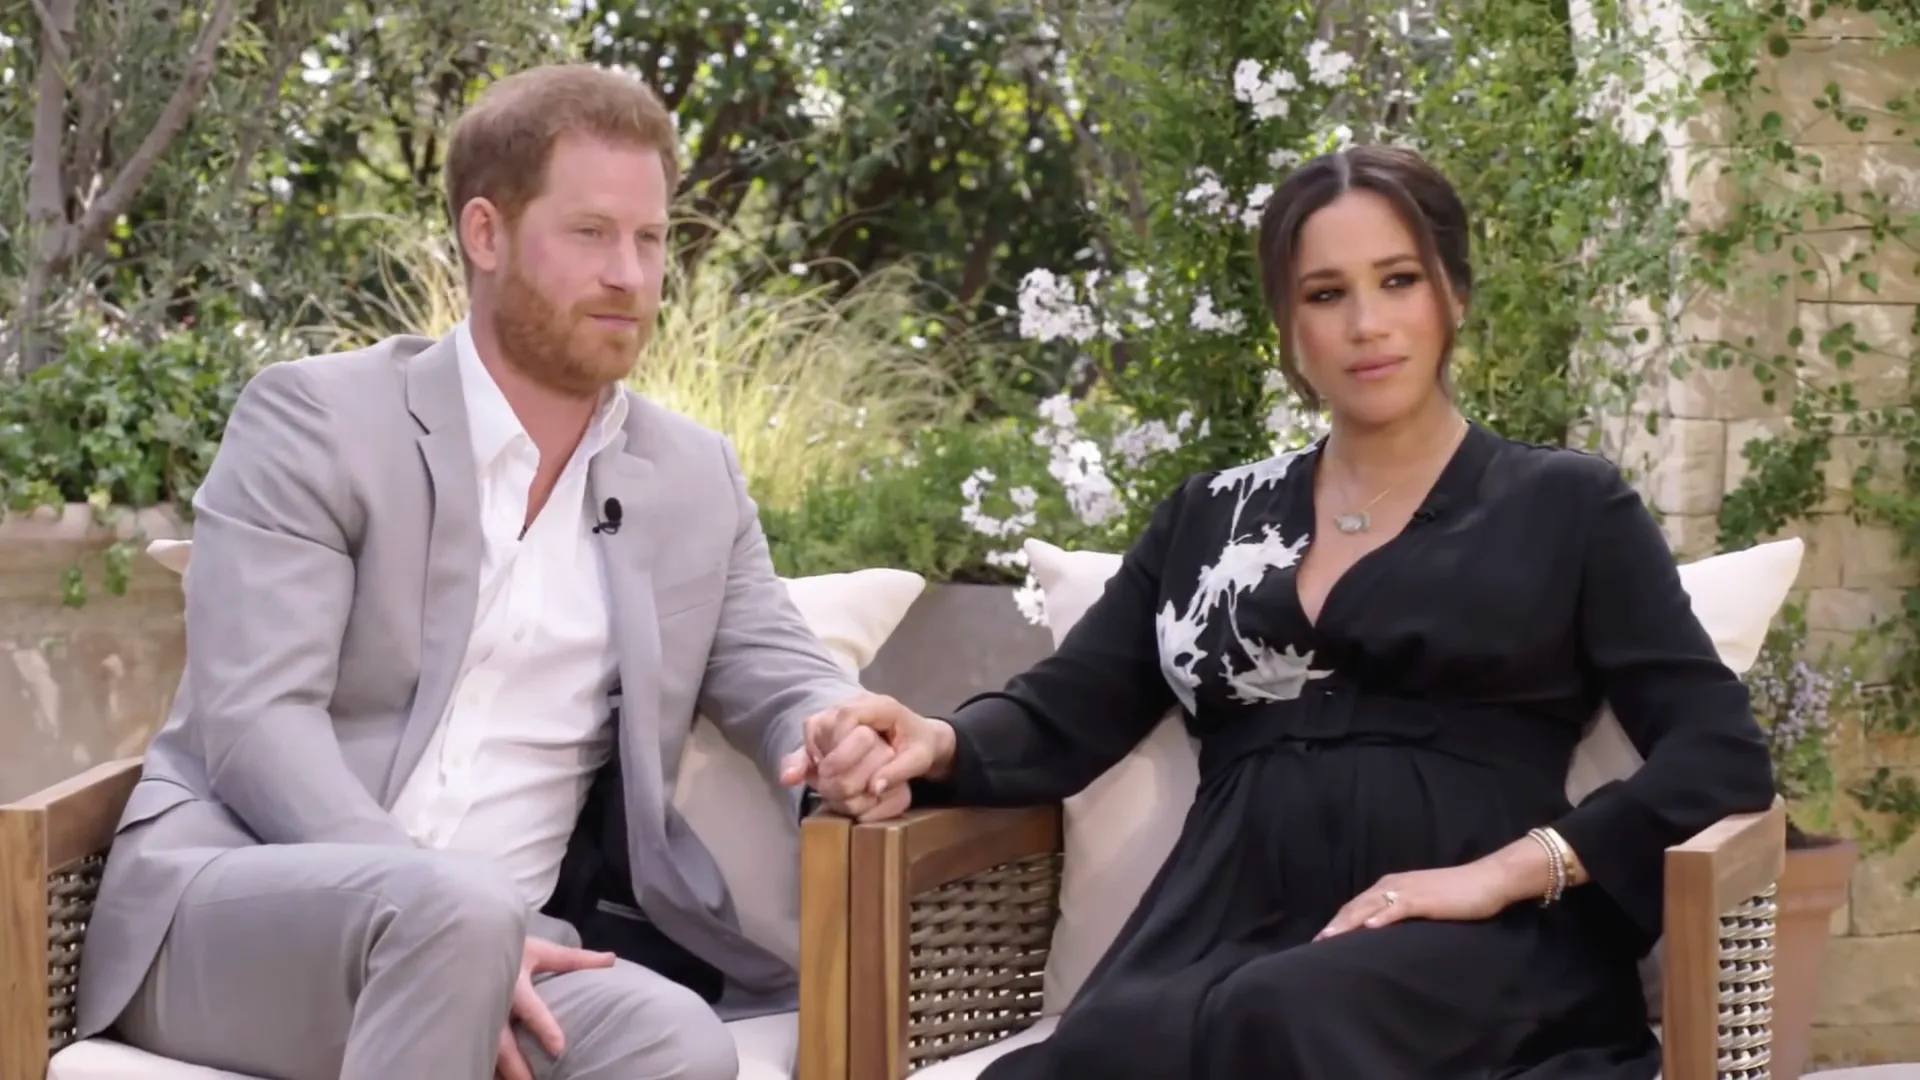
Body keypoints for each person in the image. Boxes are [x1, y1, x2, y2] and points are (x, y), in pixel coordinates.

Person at [784, 145, 1779, 1079]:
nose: (1366, 325)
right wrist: (933, 738)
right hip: (1223, 922)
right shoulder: (1207, 519)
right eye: (1324, 294)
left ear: (1456, 296)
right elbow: (1064, 711)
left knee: (1283, 1017)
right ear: (1289, 329)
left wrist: (1508, 872)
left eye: (1399, 280)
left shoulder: (1567, 505)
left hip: (1478, 944)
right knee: (1106, 1050)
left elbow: (1717, 754)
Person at [74, 63, 890, 1080]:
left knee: (674, 1045)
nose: (630, 277)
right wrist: (443, 906)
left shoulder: (694, 479)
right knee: (452, 911)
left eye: (651, 239)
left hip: (511, 939)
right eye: (590, 234)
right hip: (242, 912)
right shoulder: (317, 420)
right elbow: (254, 724)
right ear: (486, 234)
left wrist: (840, 725)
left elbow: (778, 669)